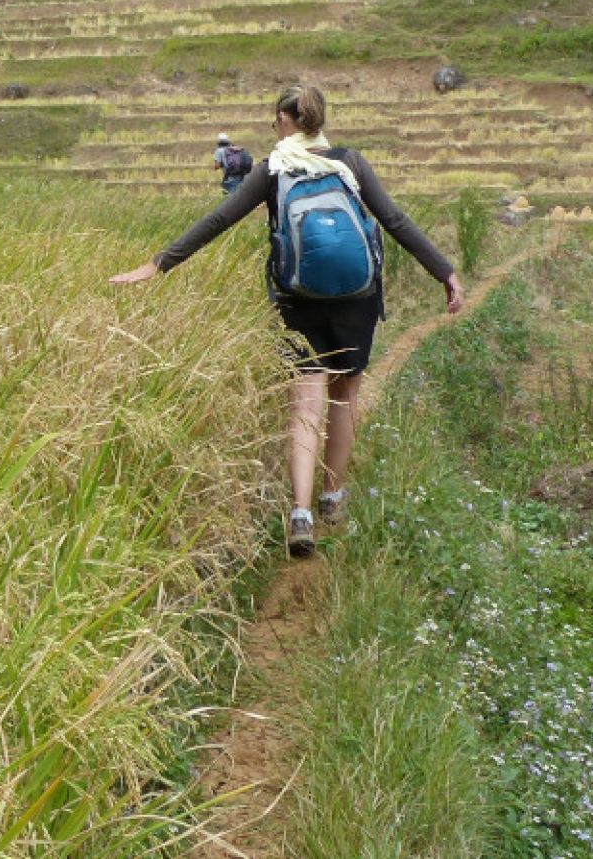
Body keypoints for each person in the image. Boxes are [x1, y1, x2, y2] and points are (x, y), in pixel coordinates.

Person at [112, 84, 465, 558]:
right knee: (345, 397)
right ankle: (333, 498)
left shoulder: (273, 170)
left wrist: (159, 264)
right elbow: (395, 220)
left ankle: (300, 515)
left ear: (284, 119)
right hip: (358, 296)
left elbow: (219, 220)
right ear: (320, 119)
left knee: (304, 401)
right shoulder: (350, 163)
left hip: (298, 299)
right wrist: (445, 272)